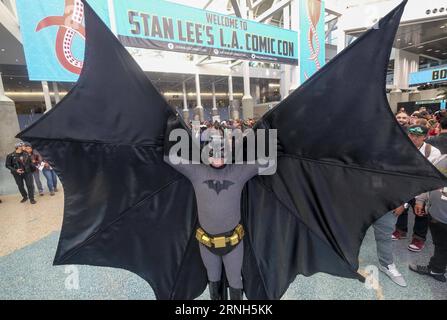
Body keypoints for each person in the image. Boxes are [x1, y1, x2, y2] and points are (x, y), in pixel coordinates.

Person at [163, 116, 262, 300]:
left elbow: (268, 164)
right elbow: (169, 159)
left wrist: (269, 139)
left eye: (222, 152)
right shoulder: (197, 171)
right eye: (213, 152)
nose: (217, 157)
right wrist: (171, 131)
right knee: (213, 280)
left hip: (233, 244)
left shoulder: (238, 171)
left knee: (235, 281)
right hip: (207, 244)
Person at [393, 125, 441, 252]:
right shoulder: (401, 149)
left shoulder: (432, 152)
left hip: (422, 187)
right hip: (404, 184)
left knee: (421, 212)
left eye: (418, 136)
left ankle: (419, 238)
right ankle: (400, 230)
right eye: (411, 135)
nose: (413, 138)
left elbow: (430, 175)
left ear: (425, 137)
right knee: (401, 208)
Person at [409, 154, 447, 282]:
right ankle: (438, 267)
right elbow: (430, 182)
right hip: (436, 214)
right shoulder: (441, 158)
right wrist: (420, 200)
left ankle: (436, 269)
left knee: (442, 245)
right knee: (440, 244)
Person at [373, 207, 407, 286]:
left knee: (384, 234)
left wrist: (403, 203)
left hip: (386, 200)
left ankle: (385, 264)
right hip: (357, 198)